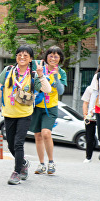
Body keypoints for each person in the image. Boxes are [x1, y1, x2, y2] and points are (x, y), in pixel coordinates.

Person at [0, 45, 50, 185]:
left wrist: (41, 74)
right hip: (9, 113)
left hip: (25, 114)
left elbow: (47, 90)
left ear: (30, 59)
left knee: (18, 143)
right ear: (16, 57)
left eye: (25, 55)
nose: (22, 57)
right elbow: (0, 88)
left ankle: (16, 172)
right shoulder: (8, 71)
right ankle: (23, 163)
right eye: (19, 55)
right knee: (10, 144)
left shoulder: (33, 75)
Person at [32, 46, 66, 174]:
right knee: (38, 135)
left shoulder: (61, 72)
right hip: (37, 105)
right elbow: (35, 86)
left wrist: (56, 77)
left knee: (46, 133)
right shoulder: (41, 69)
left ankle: (51, 162)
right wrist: (39, 74)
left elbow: (61, 91)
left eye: (56, 56)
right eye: (50, 56)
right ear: (46, 57)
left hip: (51, 107)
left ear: (60, 59)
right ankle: (41, 164)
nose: (53, 58)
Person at [81, 86, 98, 163]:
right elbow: (85, 102)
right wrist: (85, 115)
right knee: (89, 137)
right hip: (90, 115)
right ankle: (88, 157)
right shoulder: (90, 88)